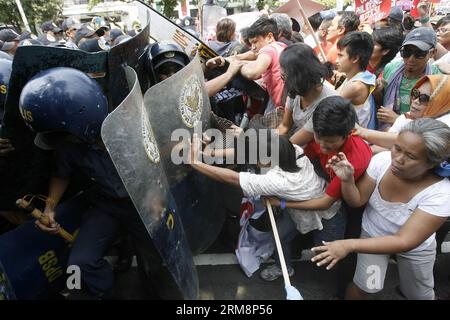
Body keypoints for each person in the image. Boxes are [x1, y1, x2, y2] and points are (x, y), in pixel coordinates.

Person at [19, 67, 163, 299]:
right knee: (80, 262)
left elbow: (158, 159)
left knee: (157, 264)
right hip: (107, 205)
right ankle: (104, 291)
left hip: (143, 202)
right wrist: (49, 207)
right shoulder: (67, 140)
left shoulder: (131, 123)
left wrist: (156, 195)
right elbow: (62, 173)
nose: (64, 140)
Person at [312, 118, 450, 300]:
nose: (398, 159)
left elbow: (404, 241)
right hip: (373, 238)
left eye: (411, 156)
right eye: (397, 148)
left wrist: (348, 245)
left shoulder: (441, 193)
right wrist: (347, 180)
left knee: (418, 295)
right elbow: (357, 200)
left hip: (415, 249)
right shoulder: (382, 161)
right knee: (368, 287)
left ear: (431, 163)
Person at [188, 130, 340, 280]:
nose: (254, 162)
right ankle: (283, 268)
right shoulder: (289, 149)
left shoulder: (277, 181)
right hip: (297, 209)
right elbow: (246, 152)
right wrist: (210, 153)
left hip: (328, 216)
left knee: (325, 257)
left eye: (256, 159)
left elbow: (234, 179)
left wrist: (195, 163)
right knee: (280, 235)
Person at [354, 75, 450, 154]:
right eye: (415, 93)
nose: (416, 101)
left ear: (442, 102)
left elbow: (403, 140)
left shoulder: (444, 125)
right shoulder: (411, 115)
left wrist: (362, 132)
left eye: (424, 98)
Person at [376, 27, 441, 128]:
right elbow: (381, 102)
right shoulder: (391, 69)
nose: (411, 59)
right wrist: (376, 92)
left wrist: (397, 120)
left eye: (419, 53)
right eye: (406, 52)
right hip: (384, 131)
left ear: (432, 53)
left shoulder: (438, 79)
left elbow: (436, 123)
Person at [276, 43, 337, 136]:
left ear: (297, 76)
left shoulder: (328, 103)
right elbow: (285, 126)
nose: (281, 72)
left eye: (284, 72)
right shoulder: (296, 90)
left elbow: (297, 140)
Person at [233, 17, 287, 113]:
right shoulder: (281, 46)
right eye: (251, 43)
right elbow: (254, 57)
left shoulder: (268, 49)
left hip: (282, 108)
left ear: (269, 37)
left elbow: (253, 73)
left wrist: (238, 66)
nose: (253, 47)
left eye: (255, 42)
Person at [335, 31, 376, 128]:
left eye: (340, 56)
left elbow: (328, 105)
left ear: (355, 58)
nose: (337, 60)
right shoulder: (363, 76)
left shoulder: (355, 86)